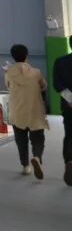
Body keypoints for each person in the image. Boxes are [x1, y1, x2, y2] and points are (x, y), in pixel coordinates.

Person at [5, 44, 48, 179]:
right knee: (38, 139)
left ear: (13, 56)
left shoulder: (9, 73)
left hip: (17, 111)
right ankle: (37, 157)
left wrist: (8, 70)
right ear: (27, 56)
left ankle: (25, 166)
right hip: (35, 110)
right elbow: (43, 87)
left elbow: (8, 87)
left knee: (21, 140)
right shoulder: (36, 72)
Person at [54, 35, 72, 186]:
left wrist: (70, 99)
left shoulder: (60, 61)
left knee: (70, 135)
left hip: (68, 106)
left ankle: (69, 161)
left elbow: (57, 84)